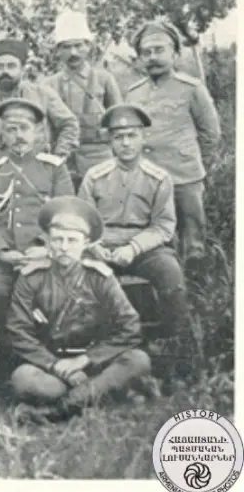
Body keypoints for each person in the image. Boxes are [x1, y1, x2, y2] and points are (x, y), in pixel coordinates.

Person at [7, 196, 151, 423]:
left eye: (72, 240)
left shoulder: (100, 277)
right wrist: (55, 365)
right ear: (48, 242)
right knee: (23, 378)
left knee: (138, 360)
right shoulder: (31, 278)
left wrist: (85, 360)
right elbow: (19, 332)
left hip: (95, 364)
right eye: (58, 240)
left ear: (86, 243)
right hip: (52, 368)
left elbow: (130, 327)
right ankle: (95, 395)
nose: (64, 247)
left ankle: (61, 408)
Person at [78, 104, 195, 354]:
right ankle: (89, 342)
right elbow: (82, 222)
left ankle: (173, 344)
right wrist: (94, 246)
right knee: (78, 280)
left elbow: (163, 225)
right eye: (118, 137)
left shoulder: (159, 177)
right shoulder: (94, 176)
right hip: (102, 246)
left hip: (144, 247)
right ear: (110, 141)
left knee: (171, 276)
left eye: (132, 135)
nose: (126, 143)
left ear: (143, 137)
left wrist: (133, 248)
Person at [0, 98, 74, 346]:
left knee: (49, 293)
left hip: (44, 251)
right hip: (3, 254)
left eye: (25, 128)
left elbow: (66, 212)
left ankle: (44, 348)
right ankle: (3, 352)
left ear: (37, 131)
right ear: (2, 134)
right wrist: (1, 252)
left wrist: (45, 247)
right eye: (11, 129)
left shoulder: (54, 168)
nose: (18, 135)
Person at [125, 19, 221, 271]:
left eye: (159, 50)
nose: (152, 57)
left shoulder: (191, 88)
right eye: (146, 52)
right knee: (155, 237)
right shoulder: (133, 93)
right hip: (148, 179)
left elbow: (210, 133)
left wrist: (197, 166)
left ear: (175, 53)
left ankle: (197, 285)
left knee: (192, 236)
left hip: (184, 176)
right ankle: (164, 283)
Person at [0, 39, 79, 171]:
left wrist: (58, 156)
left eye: (11, 66)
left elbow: (69, 124)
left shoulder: (43, 94)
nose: (5, 71)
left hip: (38, 172)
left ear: (22, 69)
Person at [44, 11, 123, 188]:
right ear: (58, 51)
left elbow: (119, 120)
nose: (73, 52)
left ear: (88, 46)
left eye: (78, 45)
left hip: (100, 157)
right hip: (64, 159)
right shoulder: (49, 84)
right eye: (66, 47)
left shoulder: (104, 79)